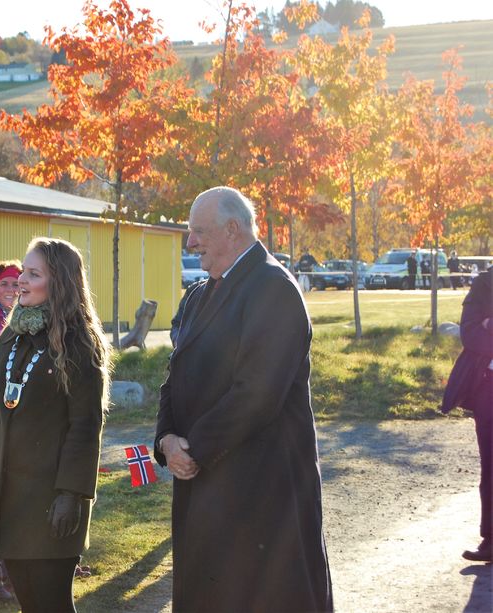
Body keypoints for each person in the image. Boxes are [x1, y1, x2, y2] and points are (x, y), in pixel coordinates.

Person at [156, 186, 332, 612]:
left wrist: (193, 448)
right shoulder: (200, 294)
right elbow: (174, 375)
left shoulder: (274, 289)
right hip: (207, 483)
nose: (190, 242)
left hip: (260, 490)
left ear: (232, 229)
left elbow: (257, 393)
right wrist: (166, 441)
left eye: (198, 231)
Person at [0, 237, 111, 613]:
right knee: (28, 602)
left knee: (51, 603)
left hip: (53, 497)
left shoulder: (79, 342)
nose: (21, 280)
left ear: (58, 282)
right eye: (23, 271)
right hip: (12, 496)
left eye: (33, 273)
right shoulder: (11, 335)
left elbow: (85, 426)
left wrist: (71, 494)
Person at [442, 269, 492, 562]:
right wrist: (485, 325)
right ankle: (492, 539)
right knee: (491, 466)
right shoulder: (486, 283)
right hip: (490, 389)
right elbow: (470, 333)